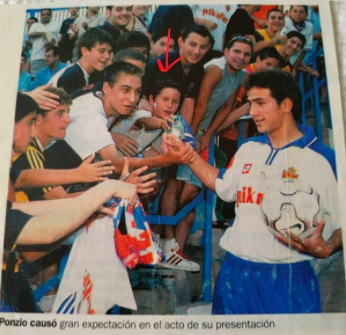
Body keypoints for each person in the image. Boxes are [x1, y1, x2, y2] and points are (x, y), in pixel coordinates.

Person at [163, 70, 342, 314]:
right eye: (250, 103)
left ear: (286, 104)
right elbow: (224, 186)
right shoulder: (249, 148)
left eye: (260, 103)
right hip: (235, 275)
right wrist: (189, 155)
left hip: (288, 279)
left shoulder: (323, 158)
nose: (252, 112)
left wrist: (329, 246)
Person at [2, 92, 137, 312]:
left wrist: (97, 199)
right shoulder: (28, 154)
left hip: (14, 273)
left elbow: (25, 201)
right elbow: (43, 226)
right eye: (30, 122)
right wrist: (104, 190)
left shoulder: (28, 158)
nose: (33, 129)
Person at [64, 61, 194, 183]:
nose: (132, 99)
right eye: (126, 90)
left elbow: (144, 120)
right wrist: (161, 161)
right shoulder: (92, 114)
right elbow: (113, 163)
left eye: (137, 92)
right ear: (107, 88)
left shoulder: (105, 100)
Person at [142, 24, 212, 125]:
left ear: (208, 47)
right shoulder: (160, 65)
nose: (197, 51)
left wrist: (184, 136)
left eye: (203, 47)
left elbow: (188, 104)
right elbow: (145, 101)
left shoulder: (198, 68)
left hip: (172, 123)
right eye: (192, 45)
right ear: (180, 42)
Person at [50, 28, 113, 94]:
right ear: (85, 51)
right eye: (101, 51)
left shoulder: (96, 74)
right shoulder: (70, 76)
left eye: (109, 52)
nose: (107, 56)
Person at [27, 9, 61, 77]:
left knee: (50, 80)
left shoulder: (56, 26)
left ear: (51, 16)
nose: (45, 16)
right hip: (37, 57)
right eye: (43, 14)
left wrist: (52, 42)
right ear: (40, 16)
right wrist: (44, 34)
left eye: (47, 14)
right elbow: (30, 34)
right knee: (36, 81)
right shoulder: (35, 25)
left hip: (52, 58)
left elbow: (59, 40)